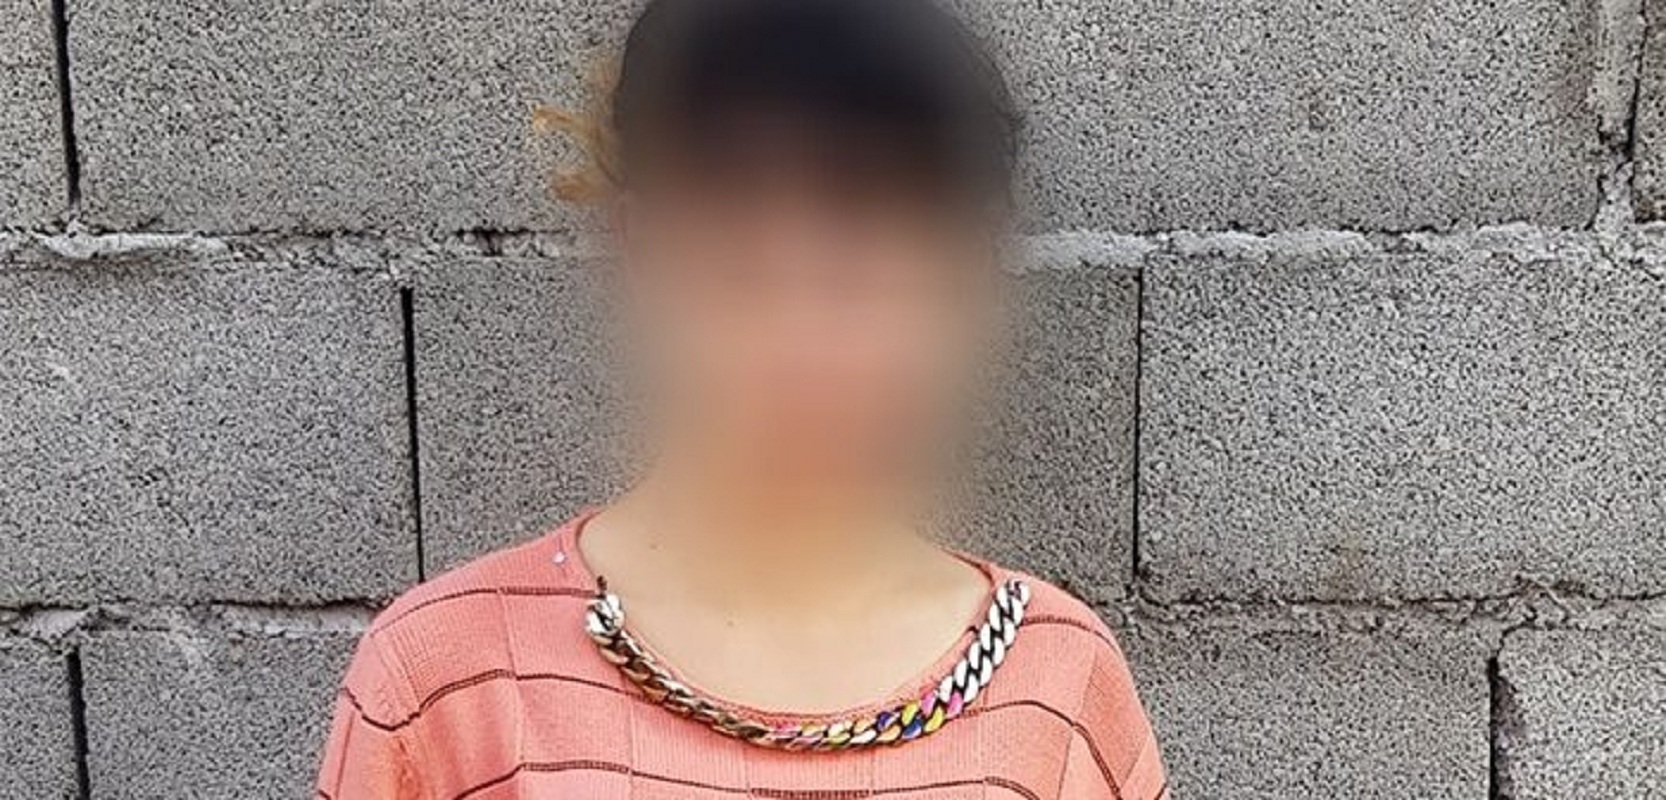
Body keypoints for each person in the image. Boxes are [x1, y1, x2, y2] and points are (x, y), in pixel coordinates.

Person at [315, 0, 1166, 797]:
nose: (796, 344)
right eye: (737, 275)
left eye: (858, 284)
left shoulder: (1059, 686)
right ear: (643, 250)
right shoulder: (445, 680)